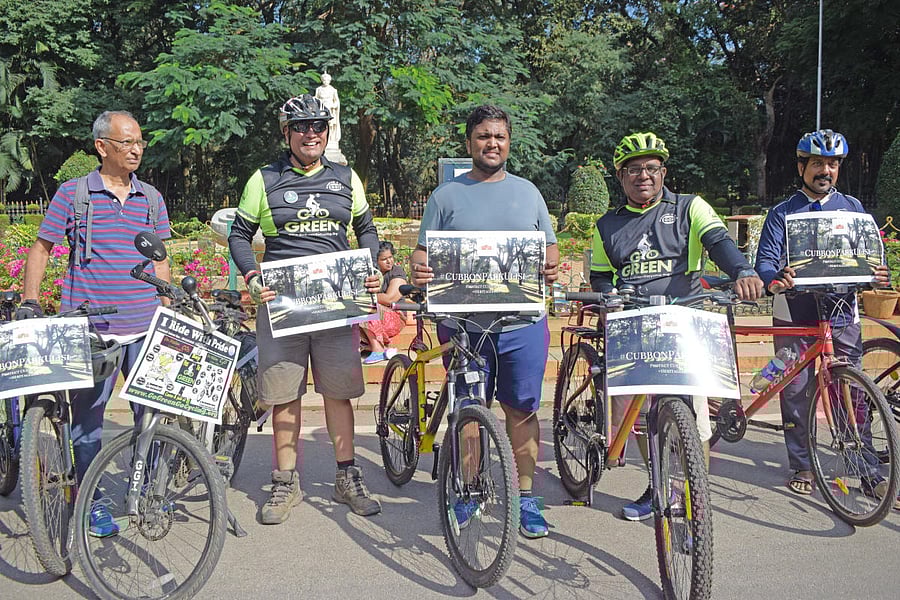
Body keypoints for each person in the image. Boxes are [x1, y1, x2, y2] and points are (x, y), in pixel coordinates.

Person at [590, 131, 764, 520]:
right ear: (621, 177)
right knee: (635, 416)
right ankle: (657, 486)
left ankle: (692, 495)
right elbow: (600, 276)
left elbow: (720, 243)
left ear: (663, 171)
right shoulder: (607, 226)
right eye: (633, 169)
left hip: (687, 320)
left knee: (697, 421)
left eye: (651, 168)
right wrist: (607, 296)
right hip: (634, 322)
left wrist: (742, 271)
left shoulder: (690, 207)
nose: (643, 176)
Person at [228, 93, 382, 524]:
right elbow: (239, 235)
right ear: (286, 133)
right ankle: (284, 481)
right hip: (283, 303)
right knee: (284, 395)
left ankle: (347, 475)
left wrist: (370, 267)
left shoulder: (347, 177)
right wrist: (253, 276)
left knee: (339, 392)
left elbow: (367, 229)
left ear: (327, 131)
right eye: (301, 127)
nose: (310, 133)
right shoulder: (264, 178)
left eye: (318, 126)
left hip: (335, 303)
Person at [17, 110, 171, 537]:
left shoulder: (151, 198)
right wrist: (31, 300)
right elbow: (43, 247)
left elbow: (160, 258)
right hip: (91, 329)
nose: (136, 149)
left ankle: (149, 493)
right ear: (102, 147)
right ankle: (92, 499)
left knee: (152, 416)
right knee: (87, 424)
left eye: (140, 141)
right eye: (126, 143)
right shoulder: (73, 194)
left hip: (144, 327)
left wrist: (165, 302)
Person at [410, 105, 559, 539]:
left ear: (509, 141)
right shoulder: (446, 197)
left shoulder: (529, 192)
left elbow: (548, 249)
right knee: (470, 411)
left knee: (522, 410)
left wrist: (550, 265)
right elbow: (422, 253)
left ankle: (526, 496)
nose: (491, 143)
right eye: (483, 136)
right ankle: (470, 491)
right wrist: (419, 268)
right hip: (463, 325)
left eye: (499, 136)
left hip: (521, 324)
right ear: (470, 142)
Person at [755, 129, 896, 507]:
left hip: (841, 313)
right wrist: (774, 279)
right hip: (795, 313)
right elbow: (765, 263)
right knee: (797, 390)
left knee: (852, 390)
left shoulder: (853, 209)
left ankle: (866, 465)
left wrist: (880, 274)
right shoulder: (782, 213)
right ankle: (802, 464)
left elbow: (873, 260)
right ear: (801, 166)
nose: (826, 171)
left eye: (832, 164)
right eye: (817, 163)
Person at [360, 241, 409, 364]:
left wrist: (364, 296)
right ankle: (378, 348)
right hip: (376, 318)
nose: (389, 262)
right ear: (376, 261)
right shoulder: (370, 275)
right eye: (384, 259)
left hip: (396, 317)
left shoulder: (397, 272)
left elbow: (390, 299)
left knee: (365, 303)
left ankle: (377, 349)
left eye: (390, 257)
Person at [315, 72, 341, 145]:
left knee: (330, 124)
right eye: (324, 80)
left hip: (330, 109)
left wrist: (333, 105)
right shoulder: (318, 89)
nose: (325, 82)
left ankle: (330, 138)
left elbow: (336, 101)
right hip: (321, 109)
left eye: (327, 80)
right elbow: (316, 99)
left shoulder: (333, 90)